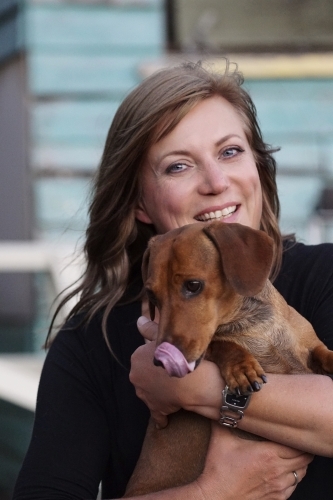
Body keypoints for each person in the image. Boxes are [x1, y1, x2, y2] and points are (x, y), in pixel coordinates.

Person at [13, 60, 333, 500]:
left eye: (230, 151)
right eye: (178, 166)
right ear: (140, 203)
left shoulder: (324, 277)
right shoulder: (92, 341)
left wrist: (196, 388)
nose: (217, 182)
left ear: (257, 166)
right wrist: (213, 491)